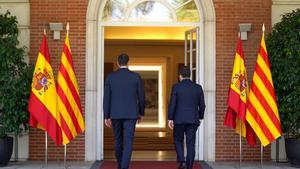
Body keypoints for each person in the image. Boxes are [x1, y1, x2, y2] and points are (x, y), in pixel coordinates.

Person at [103, 53, 145, 169]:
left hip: (115, 114)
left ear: (118, 62)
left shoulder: (111, 77)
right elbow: (141, 97)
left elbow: (107, 98)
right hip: (131, 114)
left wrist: (106, 115)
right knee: (128, 141)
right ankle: (124, 166)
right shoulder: (136, 77)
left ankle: (120, 163)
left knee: (117, 140)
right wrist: (141, 113)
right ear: (128, 62)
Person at [168, 66, 206, 169]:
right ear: (190, 75)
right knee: (191, 143)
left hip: (179, 119)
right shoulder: (198, 87)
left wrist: (170, 118)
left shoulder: (176, 87)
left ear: (180, 76)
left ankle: (182, 162)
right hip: (193, 119)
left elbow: (172, 104)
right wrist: (200, 116)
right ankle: (189, 166)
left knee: (177, 140)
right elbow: (202, 105)